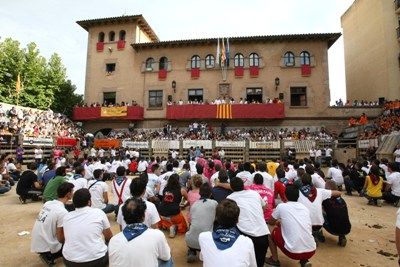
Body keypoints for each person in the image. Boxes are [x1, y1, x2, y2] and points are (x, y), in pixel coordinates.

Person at [109, 198, 174, 267]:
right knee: (169, 260)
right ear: (143, 216)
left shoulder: (113, 240)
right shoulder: (157, 235)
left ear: (124, 217)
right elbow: (166, 256)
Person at [58, 188, 113, 267]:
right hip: (96, 260)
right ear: (89, 202)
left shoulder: (67, 216)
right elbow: (109, 236)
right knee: (111, 243)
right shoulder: (99, 213)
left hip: (70, 261)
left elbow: (62, 238)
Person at [265, 185, 316, 267]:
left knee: (269, 231)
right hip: (311, 250)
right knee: (299, 229)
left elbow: (271, 222)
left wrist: (279, 222)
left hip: (293, 252)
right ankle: (304, 261)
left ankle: (274, 260)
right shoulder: (304, 208)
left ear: (285, 195)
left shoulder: (282, 206)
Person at [199, 199, 257, 267]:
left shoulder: (203, 237)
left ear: (216, 218)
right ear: (238, 220)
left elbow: (202, 258)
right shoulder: (247, 242)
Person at [227, 177, 269, 267]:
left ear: (231, 187)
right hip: (263, 234)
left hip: (244, 234)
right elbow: (265, 207)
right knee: (259, 263)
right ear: (243, 185)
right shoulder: (254, 194)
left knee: (244, 262)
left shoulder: (230, 198)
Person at [31, 183, 74, 266]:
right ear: (68, 194)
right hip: (47, 245)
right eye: (72, 191)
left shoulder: (48, 203)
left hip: (37, 241)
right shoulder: (62, 212)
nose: (73, 193)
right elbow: (60, 238)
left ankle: (48, 253)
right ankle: (50, 255)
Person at [297, 173, 341, 244]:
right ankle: (317, 233)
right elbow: (338, 193)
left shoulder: (298, 192)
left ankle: (311, 236)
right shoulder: (320, 191)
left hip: (305, 225)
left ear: (301, 182)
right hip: (319, 224)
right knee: (321, 211)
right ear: (311, 181)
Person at [185, 183, 218, 263]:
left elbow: (191, 220)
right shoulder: (214, 203)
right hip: (206, 242)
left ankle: (192, 252)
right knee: (215, 224)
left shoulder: (194, 205)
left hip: (190, 240)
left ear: (199, 193)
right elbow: (217, 218)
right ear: (210, 194)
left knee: (194, 225)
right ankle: (206, 253)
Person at [157, 173, 188, 238]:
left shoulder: (165, 188)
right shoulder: (181, 190)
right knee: (182, 223)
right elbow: (187, 198)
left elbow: (164, 199)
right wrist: (183, 201)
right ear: (178, 181)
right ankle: (172, 226)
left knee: (166, 208)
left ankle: (165, 224)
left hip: (161, 213)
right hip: (174, 214)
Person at [322, 180, 351, 247]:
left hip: (333, 229)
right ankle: (342, 236)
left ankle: (318, 233)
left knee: (318, 213)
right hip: (347, 228)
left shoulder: (326, 200)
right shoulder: (341, 199)